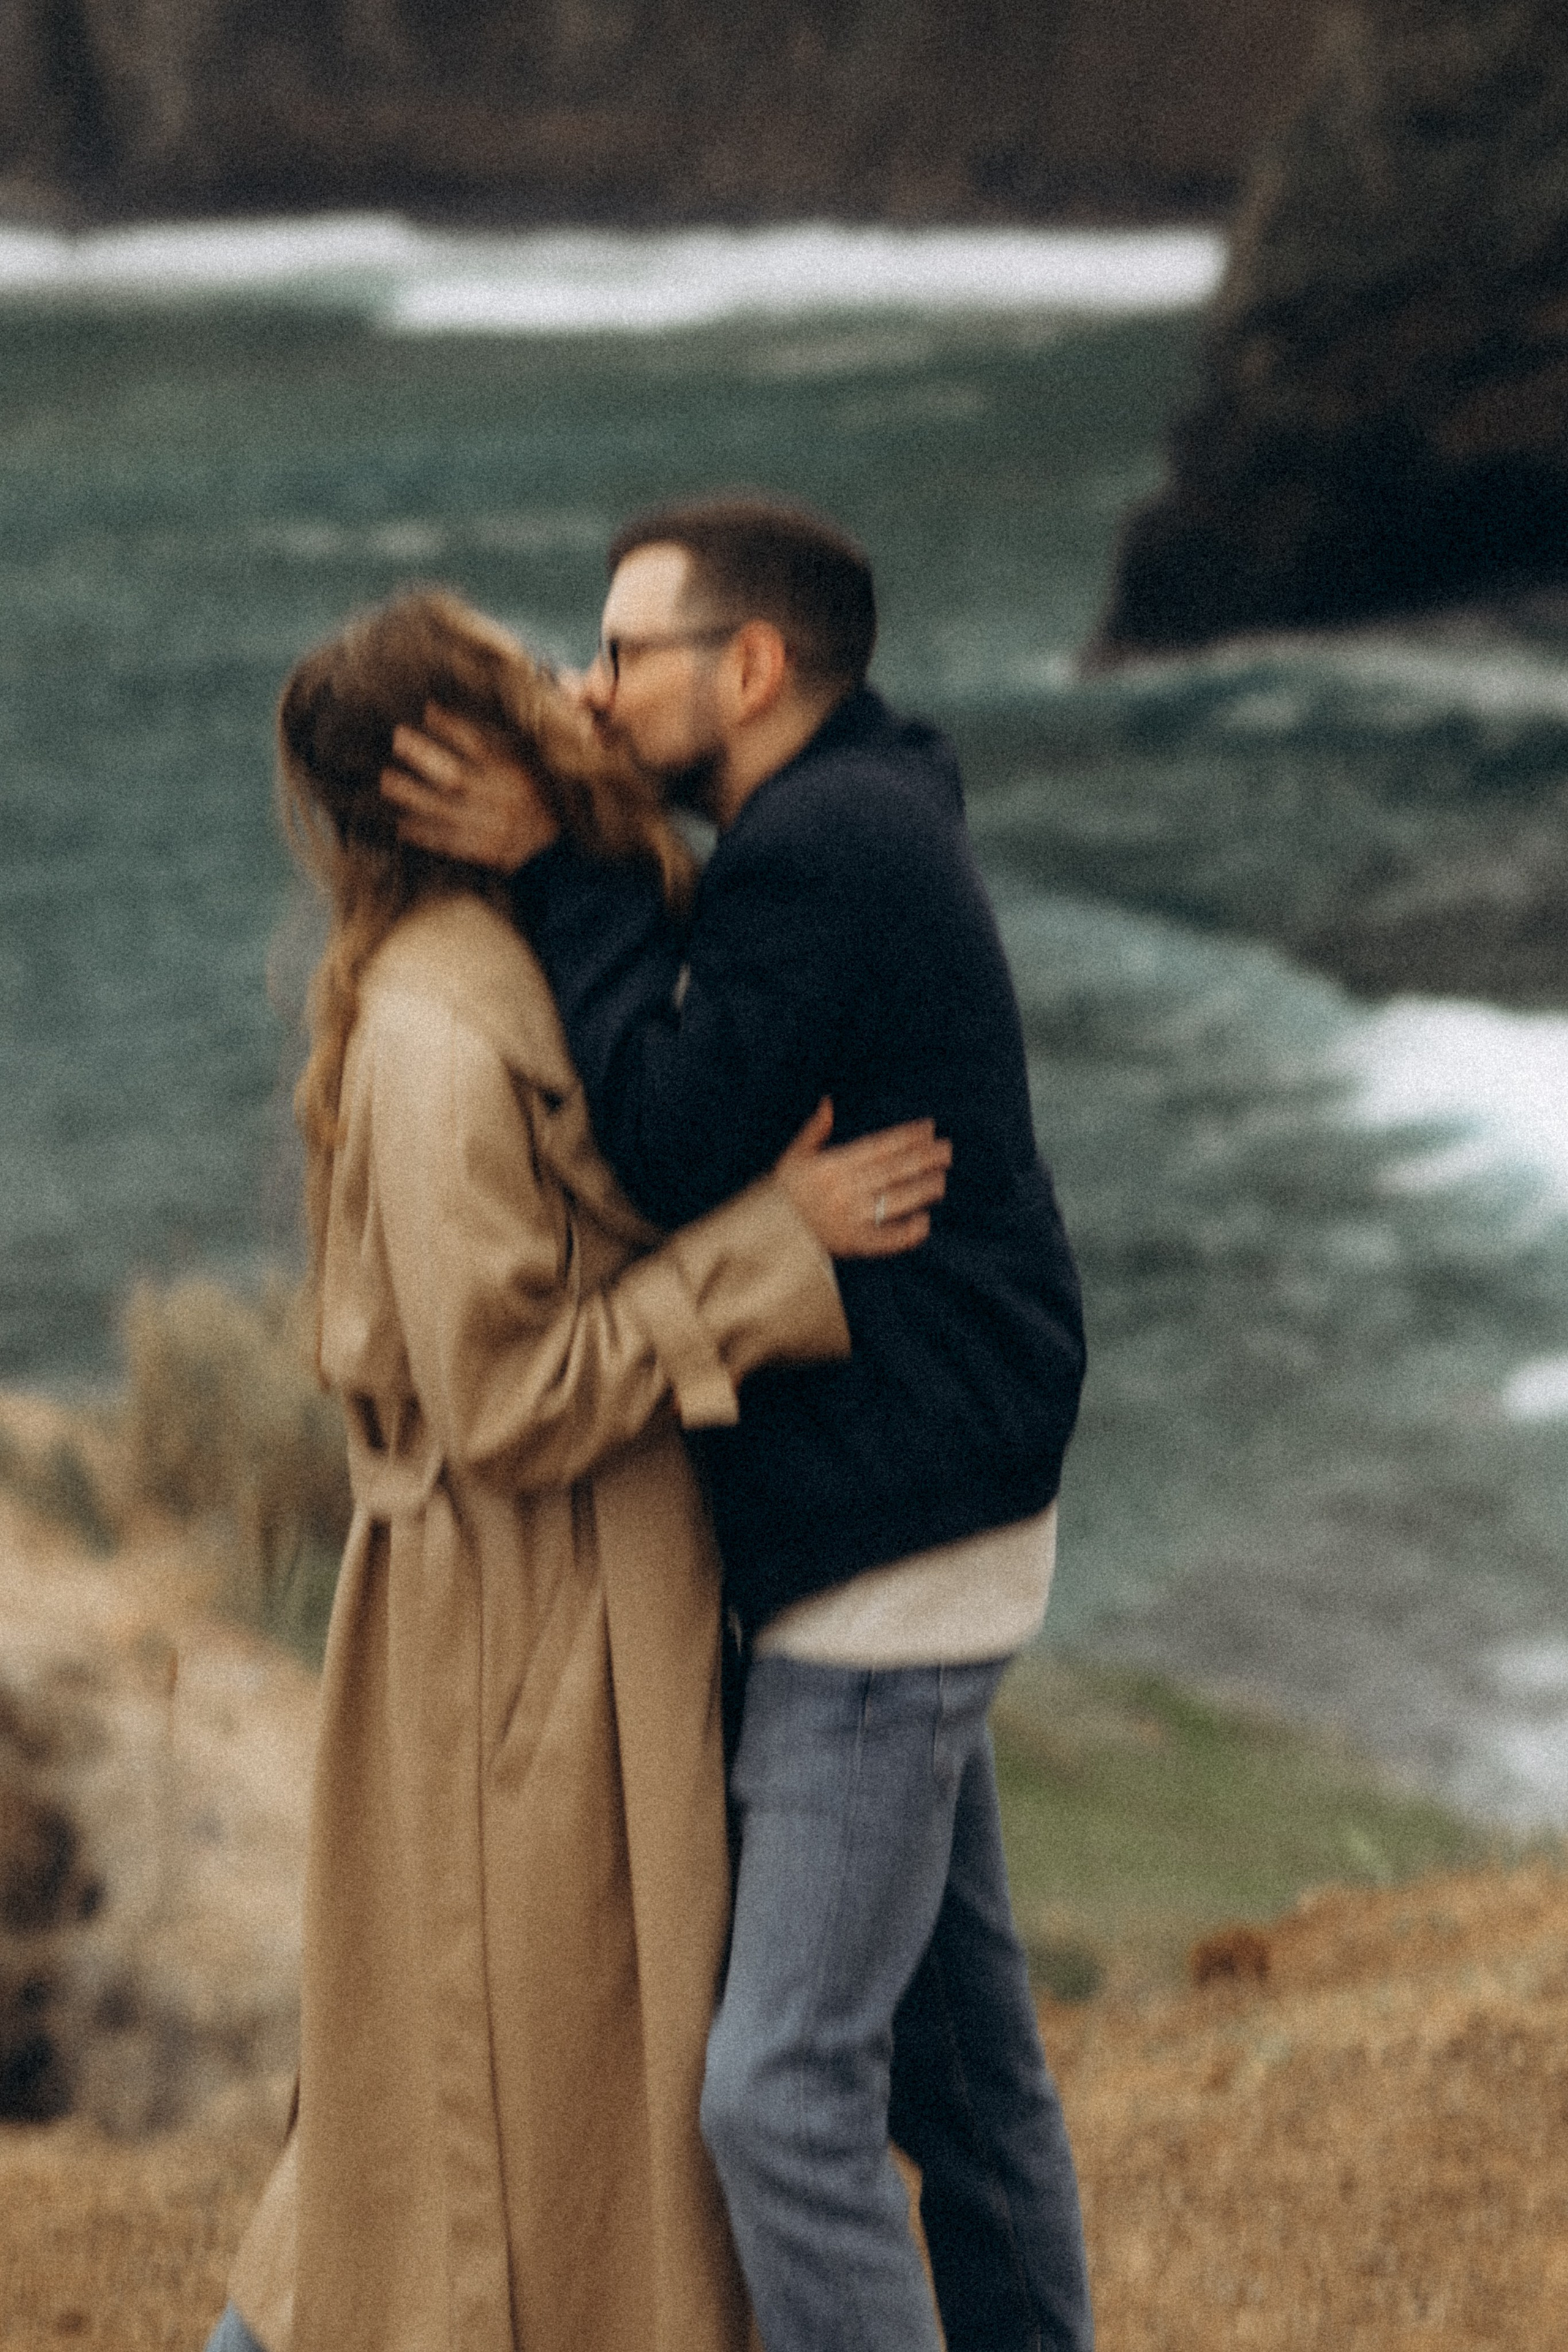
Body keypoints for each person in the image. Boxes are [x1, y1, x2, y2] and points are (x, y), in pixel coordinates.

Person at [383, 497, 1095, 2352]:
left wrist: (565, 864)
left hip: (887, 1549)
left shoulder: (817, 855)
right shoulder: (866, 803)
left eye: (627, 654)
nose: (591, 690)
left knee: (776, 2095)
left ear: (754, 666)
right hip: (940, 1498)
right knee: (962, 2078)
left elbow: (666, 1140)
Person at [205, 588, 951, 2352]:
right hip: (516, 1650)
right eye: (537, 674)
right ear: (461, 764)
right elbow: (505, 1402)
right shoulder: (440, 1036)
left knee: (509, 2124)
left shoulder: (530, 942)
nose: (581, 692)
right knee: (488, 2136)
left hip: (584, 1616)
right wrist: (771, 1251)